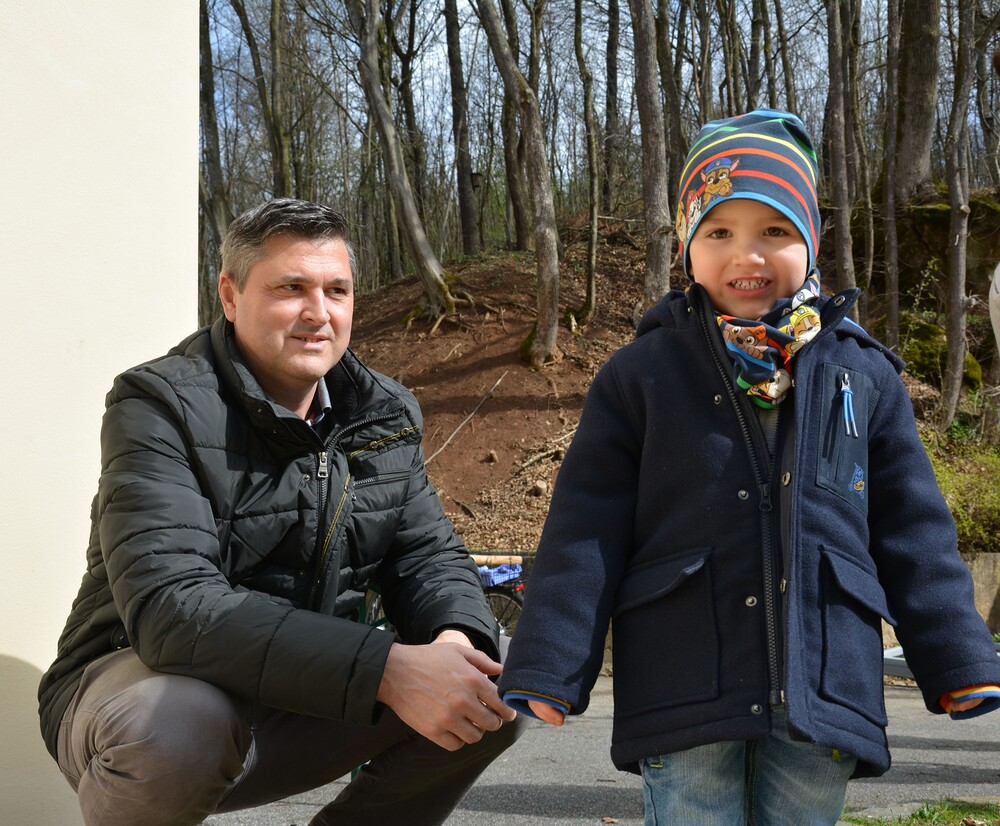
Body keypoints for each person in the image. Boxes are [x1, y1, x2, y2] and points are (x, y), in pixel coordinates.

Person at [497, 110, 1000, 825]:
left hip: (826, 680)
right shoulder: (641, 376)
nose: (748, 255)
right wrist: (550, 662)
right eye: (719, 233)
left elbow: (912, 530)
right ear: (687, 247)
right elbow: (585, 528)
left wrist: (959, 659)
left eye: (774, 230)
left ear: (811, 241)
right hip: (683, 679)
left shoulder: (863, 375)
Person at [38, 198, 521, 826]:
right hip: (144, 692)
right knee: (180, 723)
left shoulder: (383, 413)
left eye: (337, 290)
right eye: (291, 288)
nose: (318, 312)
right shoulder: (157, 405)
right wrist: (383, 669)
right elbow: (172, 610)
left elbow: (428, 559)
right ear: (231, 295)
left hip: (304, 690)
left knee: (493, 677)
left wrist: (454, 641)